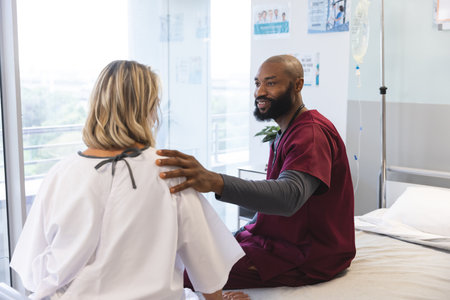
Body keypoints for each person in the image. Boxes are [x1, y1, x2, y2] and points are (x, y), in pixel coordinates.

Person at [10, 60, 249, 300]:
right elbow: (206, 267)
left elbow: (33, 273)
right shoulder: (169, 171)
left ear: (96, 106)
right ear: (149, 108)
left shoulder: (62, 173)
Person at [156, 55, 356, 289]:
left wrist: (214, 181)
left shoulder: (310, 134)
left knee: (185, 273)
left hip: (307, 255)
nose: (259, 92)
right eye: (257, 83)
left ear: (298, 85)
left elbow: (289, 196)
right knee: (185, 255)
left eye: (270, 83)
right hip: (274, 242)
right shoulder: (287, 132)